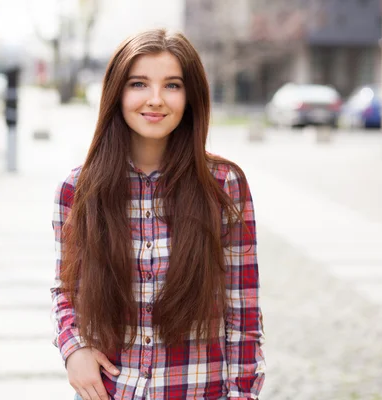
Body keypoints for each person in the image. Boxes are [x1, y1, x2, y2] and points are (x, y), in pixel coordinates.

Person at [51, 28, 265, 400]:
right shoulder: (79, 189)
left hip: (199, 390)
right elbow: (66, 288)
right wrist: (75, 347)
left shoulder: (223, 185)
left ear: (191, 96)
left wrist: (242, 394)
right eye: (138, 84)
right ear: (116, 93)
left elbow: (243, 312)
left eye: (172, 85)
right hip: (111, 391)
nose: (155, 100)